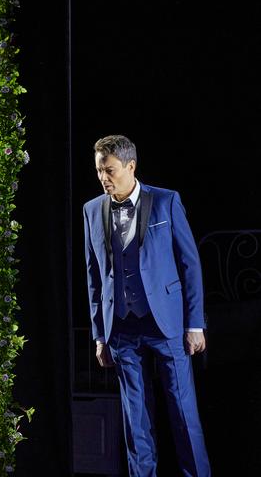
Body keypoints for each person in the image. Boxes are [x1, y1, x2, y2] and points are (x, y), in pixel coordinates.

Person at [82, 135, 210, 476]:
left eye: (109, 170)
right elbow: (94, 277)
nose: (103, 178)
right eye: (98, 171)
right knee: (135, 423)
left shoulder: (166, 202)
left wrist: (194, 324)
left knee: (183, 414)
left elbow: (190, 264)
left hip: (165, 323)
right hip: (121, 328)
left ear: (130, 166)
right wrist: (99, 335)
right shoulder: (92, 210)